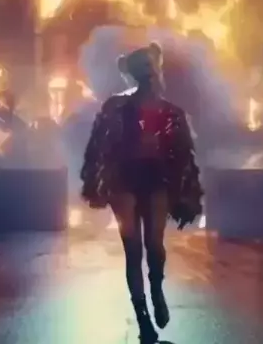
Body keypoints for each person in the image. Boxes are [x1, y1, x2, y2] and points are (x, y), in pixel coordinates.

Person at [80, 42, 203, 343]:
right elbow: (97, 145)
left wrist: (187, 190)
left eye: (152, 67)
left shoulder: (171, 112)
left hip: (156, 179)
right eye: (145, 68)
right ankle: (143, 318)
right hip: (124, 180)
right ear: (137, 73)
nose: (150, 73)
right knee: (133, 250)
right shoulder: (116, 107)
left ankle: (156, 288)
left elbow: (184, 156)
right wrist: (94, 179)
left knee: (154, 246)